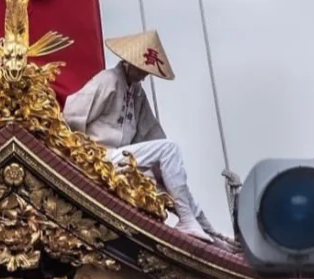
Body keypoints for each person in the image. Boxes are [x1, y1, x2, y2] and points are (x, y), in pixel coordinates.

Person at [63, 31, 216, 240]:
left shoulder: (136, 93)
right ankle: (189, 220)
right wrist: (82, 153)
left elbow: (152, 136)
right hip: (99, 156)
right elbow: (72, 114)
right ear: (129, 62)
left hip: (121, 159)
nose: (145, 75)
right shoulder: (108, 80)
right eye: (143, 69)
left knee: (168, 174)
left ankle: (205, 228)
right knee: (169, 150)